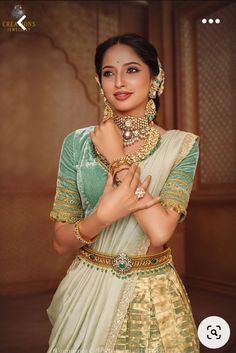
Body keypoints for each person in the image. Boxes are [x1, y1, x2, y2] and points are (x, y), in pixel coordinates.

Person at [46, 33, 200, 353]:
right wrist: (102, 217)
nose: (119, 81)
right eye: (108, 72)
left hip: (152, 296)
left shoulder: (180, 146)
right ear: (99, 81)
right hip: (86, 290)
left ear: (155, 77)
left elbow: (159, 230)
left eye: (132, 70)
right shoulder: (76, 144)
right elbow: (61, 242)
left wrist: (118, 158)